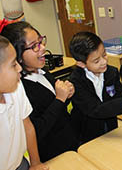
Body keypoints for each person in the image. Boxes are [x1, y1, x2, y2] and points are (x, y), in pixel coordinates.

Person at [1, 21, 79, 162]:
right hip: (52, 152)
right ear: (18, 56)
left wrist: (67, 94)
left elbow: (53, 103)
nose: (42, 48)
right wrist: (59, 100)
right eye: (34, 46)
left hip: (68, 141)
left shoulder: (42, 71)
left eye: (41, 41)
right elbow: (36, 130)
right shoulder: (19, 88)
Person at [69, 31, 122, 144]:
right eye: (96, 61)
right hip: (87, 134)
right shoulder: (76, 81)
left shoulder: (111, 72)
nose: (104, 62)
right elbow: (94, 110)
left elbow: (118, 97)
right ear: (81, 64)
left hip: (110, 128)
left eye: (104, 54)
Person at [0, 35, 48, 170]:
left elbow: (28, 127)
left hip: (18, 162)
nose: (20, 68)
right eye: (13, 64)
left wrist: (36, 163)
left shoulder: (16, 87)